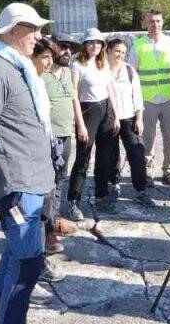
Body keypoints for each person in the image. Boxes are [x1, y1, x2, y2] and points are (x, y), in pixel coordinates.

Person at [0, 3, 61, 323]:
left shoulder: (17, 66)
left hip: (32, 179)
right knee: (28, 264)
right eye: (32, 29)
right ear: (13, 30)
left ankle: (1, 316)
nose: (38, 35)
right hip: (17, 183)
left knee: (14, 256)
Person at [32, 38, 83, 257]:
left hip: (66, 133)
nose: (67, 51)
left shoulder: (68, 74)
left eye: (70, 49)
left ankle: (53, 221)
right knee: (47, 183)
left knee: (61, 178)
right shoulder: (40, 76)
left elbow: (74, 101)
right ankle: (46, 231)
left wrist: (80, 124)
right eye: (63, 47)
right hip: (48, 136)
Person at [65, 28, 118, 218]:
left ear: (102, 45)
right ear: (85, 44)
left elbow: (110, 88)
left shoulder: (103, 63)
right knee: (83, 157)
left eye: (98, 42)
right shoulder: (77, 65)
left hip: (105, 110)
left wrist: (116, 115)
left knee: (105, 156)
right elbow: (73, 96)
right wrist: (79, 123)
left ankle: (101, 196)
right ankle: (74, 201)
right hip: (88, 110)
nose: (94, 46)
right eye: (90, 42)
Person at [128, 8, 170, 186]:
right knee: (147, 139)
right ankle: (148, 171)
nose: (155, 24)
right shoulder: (138, 45)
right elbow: (132, 73)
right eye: (151, 21)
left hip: (168, 98)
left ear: (162, 22)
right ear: (146, 23)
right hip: (147, 99)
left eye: (158, 21)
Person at [101, 38, 157, 207]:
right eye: (117, 51)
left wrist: (139, 118)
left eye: (124, 52)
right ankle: (114, 185)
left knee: (137, 153)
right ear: (108, 51)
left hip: (129, 117)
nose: (120, 55)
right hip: (109, 119)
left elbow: (138, 96)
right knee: (112, 155)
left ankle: (140, 190)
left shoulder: (130, 70)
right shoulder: (101, 70)